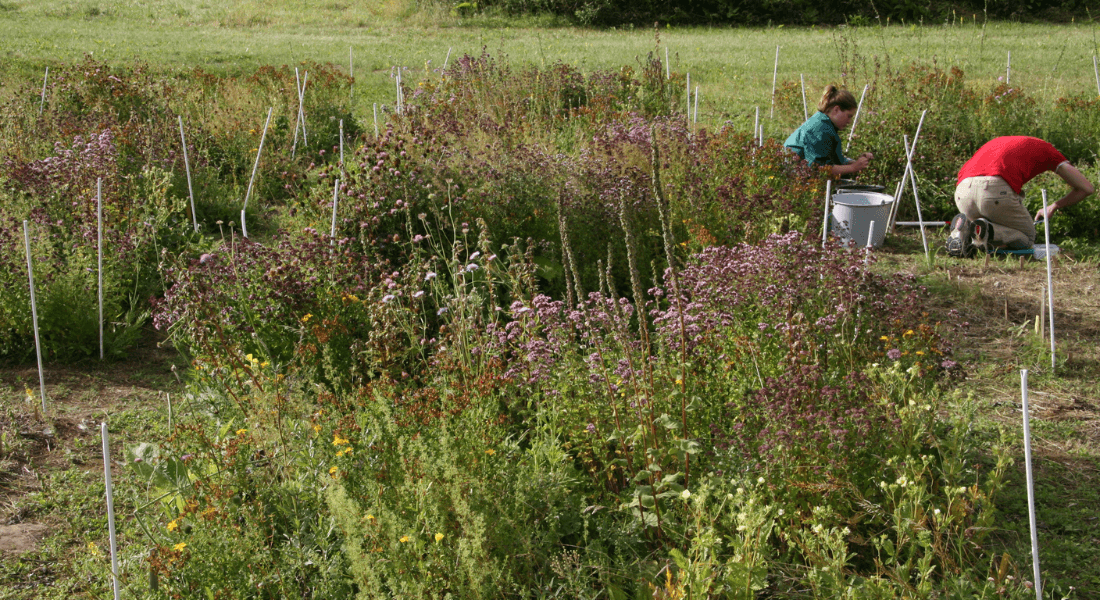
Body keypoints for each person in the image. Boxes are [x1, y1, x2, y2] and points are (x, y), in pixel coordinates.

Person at [947, 136, 1094, 257]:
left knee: (983, 227)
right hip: (994, 189)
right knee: (1026, 237)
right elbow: (1086, 188)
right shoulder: (1048, 150)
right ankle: (987, 231)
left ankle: (962, 230)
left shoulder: (995, 143)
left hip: (963, 191)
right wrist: (1055, 206)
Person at [784, 85, 874, 177]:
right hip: (793, 178)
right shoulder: (819, 129)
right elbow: (819, 169)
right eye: (849, 116)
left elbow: (833, 161)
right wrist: (853, 167)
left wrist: (856, 162)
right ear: (836, 110)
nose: (849, 121)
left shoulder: (826, 125)